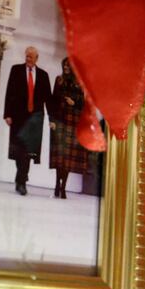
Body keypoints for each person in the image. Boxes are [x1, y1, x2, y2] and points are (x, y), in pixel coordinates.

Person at [3, 46, 51, 195]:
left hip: (34, 119)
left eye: (31, 57)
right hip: (17, 117)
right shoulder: (16, 70)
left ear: (37, 59)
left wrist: (52, 118)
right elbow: (9, 92)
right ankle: (22, 176)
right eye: (27, 56)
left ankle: (21, 182)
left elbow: (48, 99)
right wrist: (7, 114)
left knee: (27, 151)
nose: (28, 59)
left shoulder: (43, 75)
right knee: (18, 150)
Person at [49, 58, 90, 199]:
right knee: (59, 156)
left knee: (67, 158)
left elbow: (83, 105)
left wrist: (74, 103)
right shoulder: (58, 80)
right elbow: (53, 101)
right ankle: (56, 184)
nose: (65, 67)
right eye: (64, 65)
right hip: (59, 121)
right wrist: (51, 120)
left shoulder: (80, 84)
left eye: (68, 66)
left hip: (72, 123)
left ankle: (63, 187)